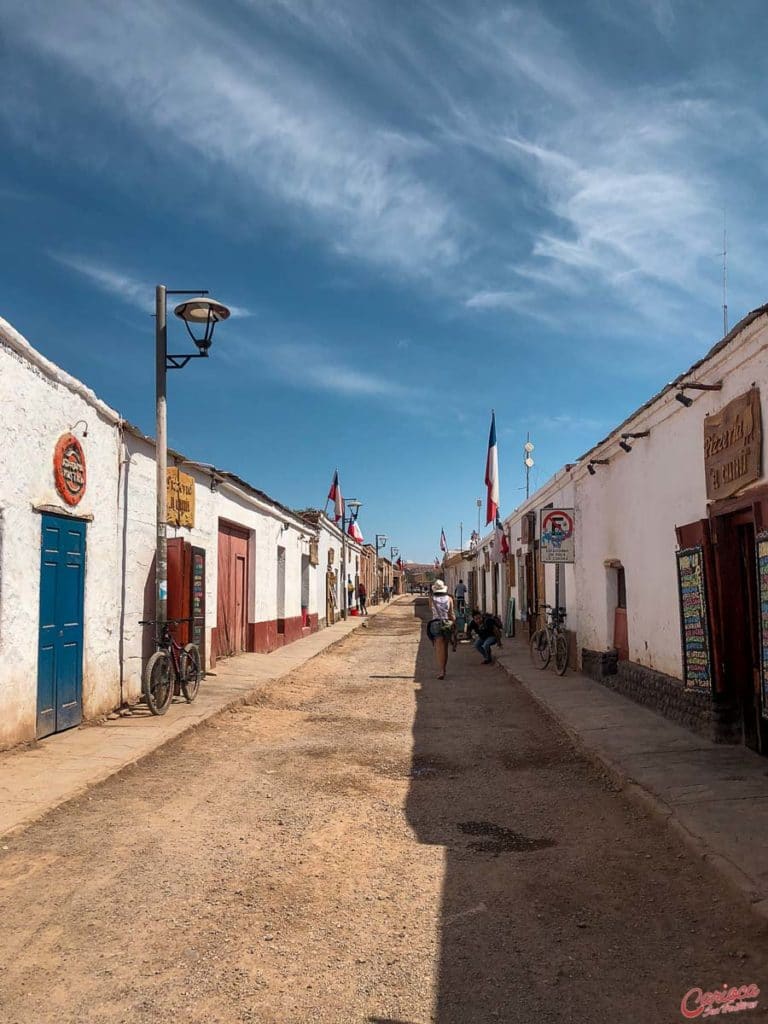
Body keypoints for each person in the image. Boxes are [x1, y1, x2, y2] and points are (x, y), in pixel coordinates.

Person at [427, 580, 455, 679]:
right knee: (445, 647)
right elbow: (451, 614)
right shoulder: (450, 598)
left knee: (439, 648)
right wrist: (454, 624)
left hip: (435, 623)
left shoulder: (431, 599)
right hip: (446, 623)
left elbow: (432, 610)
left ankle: (441, 671)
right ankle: (444, 668)